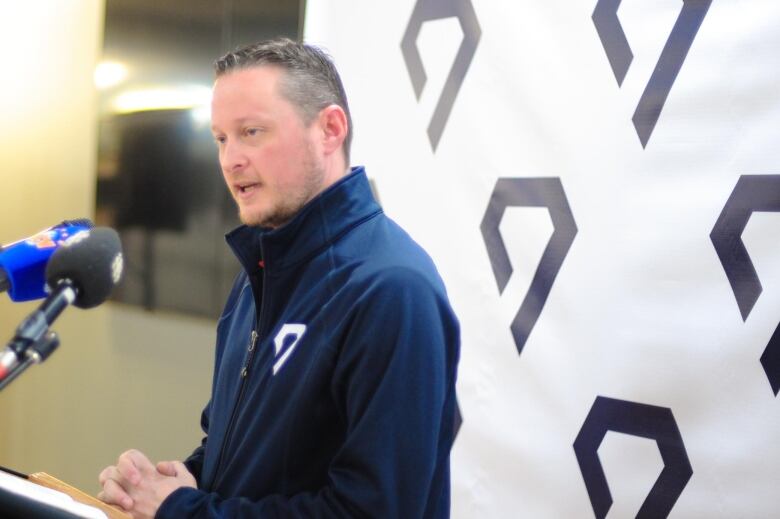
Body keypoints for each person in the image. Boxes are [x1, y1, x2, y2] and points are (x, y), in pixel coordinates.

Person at [97, 38, 460, 519]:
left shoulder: (391, 289)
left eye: (252, 132)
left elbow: (373, 511)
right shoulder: (260, 271)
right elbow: (243, 455)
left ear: (329, 129)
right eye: (221, 138)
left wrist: (184, 511)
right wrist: (166, 485)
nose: (230, 160)